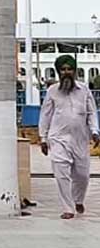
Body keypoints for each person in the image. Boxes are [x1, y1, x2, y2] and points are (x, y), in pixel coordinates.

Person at [39, 55, 100, 219]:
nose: (66, 72)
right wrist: (43, 138)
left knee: (82, 176)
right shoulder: (52, 91)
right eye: (63, 70)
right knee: (61, 174)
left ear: (75, 71)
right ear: (58, 72)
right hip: (58, 138)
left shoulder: (84, 90)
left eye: (69, 69)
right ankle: (68, 208)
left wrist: (95, 131)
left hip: (80, 139)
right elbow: (45, 115)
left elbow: (92, 112)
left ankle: (78, 199)